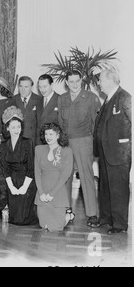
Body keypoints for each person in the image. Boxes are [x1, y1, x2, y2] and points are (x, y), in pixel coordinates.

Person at [58, 71, 101, 227]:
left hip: (84, 141)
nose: (74, 84)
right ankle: (67, 210)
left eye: (77, 81)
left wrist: (94, 145)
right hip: (65, 142)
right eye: (71, 81)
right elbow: (60, 123)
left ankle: (92, 214)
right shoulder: (62, 99)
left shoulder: (91, 98)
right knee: (65, 177)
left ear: (81, 81)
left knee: (86, 177)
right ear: (67, 83)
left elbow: (96, 124)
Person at [93, 69, 132, 234]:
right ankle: (106, 219)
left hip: (118, 154)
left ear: (111, 80)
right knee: (106, 187)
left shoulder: (125, 97)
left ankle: (120, 224)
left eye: (100, 80)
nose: (99, 83)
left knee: (118, 189)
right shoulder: (108, 99)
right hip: (105, 153)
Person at [1, 106, 38, 225]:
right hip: (12, 180)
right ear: (7, 128)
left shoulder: (28, 142)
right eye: (13, 127)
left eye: (18, 126)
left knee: (23, 220)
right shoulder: (4, 145)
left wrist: (24, 187)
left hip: (27, 180)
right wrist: (11, 186)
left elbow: (31, 167)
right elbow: (5, 168)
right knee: (15, 219)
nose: (16, 130)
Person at [35, 123, 73, 232]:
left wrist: (52, 194)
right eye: (46, 134)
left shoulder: (67, 151)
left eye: (51, 134)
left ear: (58, 135)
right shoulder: (39, 149)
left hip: (57, 192)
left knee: (56, 228)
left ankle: (69, 216)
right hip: (42, 192)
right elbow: (37, 173)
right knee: (44, 226)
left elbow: (65, 175)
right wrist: (41, 193)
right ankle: (65, 216)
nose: (48, 137)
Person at [12, 76, 42, 146]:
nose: (23, 89)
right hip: (17, 140)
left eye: (26, 87)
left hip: (33, 141)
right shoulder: (13, 99)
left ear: (32, 87)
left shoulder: (39, 100)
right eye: (21, 86)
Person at [36, 74, 60, 146]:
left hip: (54, 142)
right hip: (40, 142)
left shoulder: (60, 99)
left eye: (45, 86)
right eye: (40, 87)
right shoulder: (38, 101)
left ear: (51, 85)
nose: (42, 90)